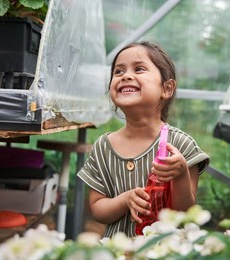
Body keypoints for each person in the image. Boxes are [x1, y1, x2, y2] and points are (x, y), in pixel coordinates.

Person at [77, 41, 210, 238]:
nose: (126, 76)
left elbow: (185, 215)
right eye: (118, 72)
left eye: (139, 69)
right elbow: (97, 210)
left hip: (164, 254)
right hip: (118, 254)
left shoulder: (180, 145)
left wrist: (181, 174)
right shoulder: (103, 147)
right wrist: (125, 200)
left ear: (167, 89)